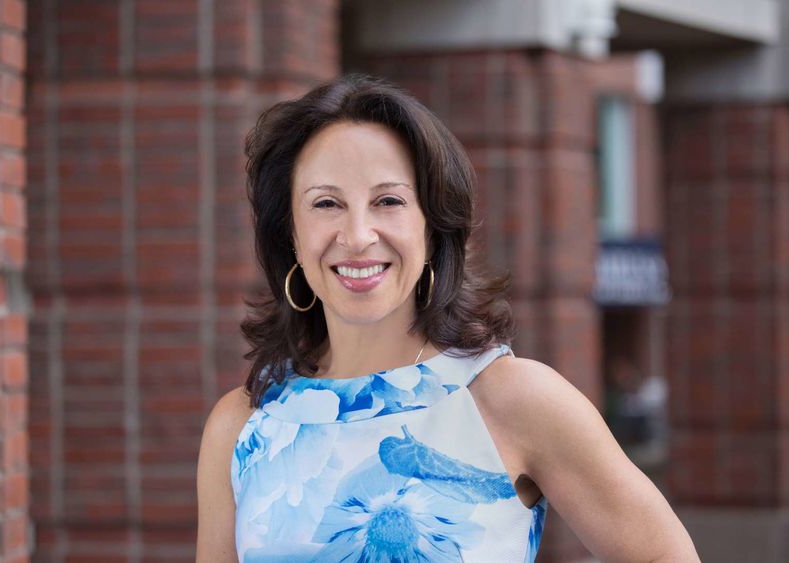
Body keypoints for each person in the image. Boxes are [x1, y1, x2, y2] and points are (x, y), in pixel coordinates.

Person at [196, 74, 699, 562]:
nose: (357, 235)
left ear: (433, 226)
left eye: (388, 201)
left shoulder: (510, 398)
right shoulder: (242, 426)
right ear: (291, 234)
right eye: (326, 203)